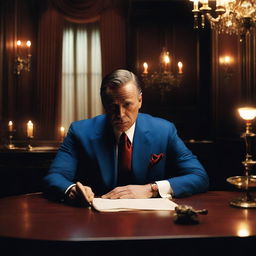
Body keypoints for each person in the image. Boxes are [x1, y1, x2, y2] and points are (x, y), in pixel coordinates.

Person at [43, 69, 209, 206]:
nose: (120, 115)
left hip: (150, 223)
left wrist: (150, 189)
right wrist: (72, 190)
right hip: (95, 220)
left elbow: (199, 177)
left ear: (140, 100)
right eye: (113, 107)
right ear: (104, 103)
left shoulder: (164, 130)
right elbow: (54, 177)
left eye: (127, 104)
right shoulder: (80, 131)